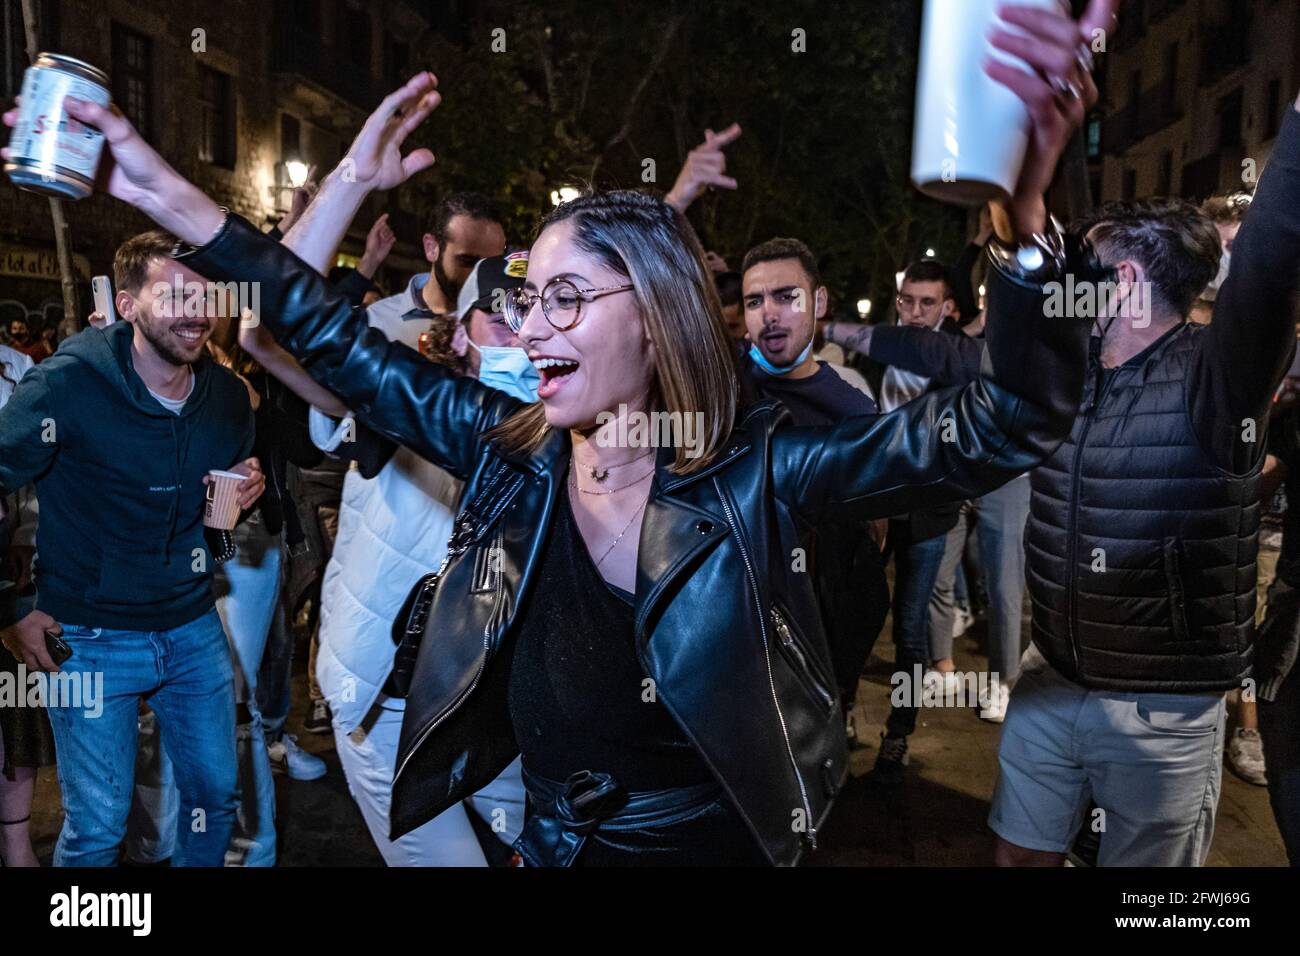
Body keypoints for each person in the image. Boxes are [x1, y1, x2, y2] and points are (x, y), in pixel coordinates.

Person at [38, 0, 1100, 863]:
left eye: (563, 300)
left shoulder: (762, 467)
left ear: (652, 310)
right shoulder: (507, 448)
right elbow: (328, 336)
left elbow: (1011, 418)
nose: (527, 329)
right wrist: (174, 200)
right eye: (524, 297)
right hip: (549, 840)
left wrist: (1027, 222)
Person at [981, 84, 1300, 866]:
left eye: (1080, 267)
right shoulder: (1066, 372)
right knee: (1018, 857)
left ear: (1120, 282)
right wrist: (1050, 132)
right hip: (1050, 681)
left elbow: (1270, 259)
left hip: (1159, 714)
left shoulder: (1216, 383)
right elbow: (1028, 249)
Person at [0, 229, 265, 866]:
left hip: (192, 625)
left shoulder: (227, 399)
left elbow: (217, 539)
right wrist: (10, 606)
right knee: (97, 827)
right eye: (173, 294)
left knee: (215, 796)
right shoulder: (63, 388)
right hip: (86, 635)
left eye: (206, 294)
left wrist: (231, 508)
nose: (196, 310)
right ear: (127, 305)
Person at [738, 236, 888, 749]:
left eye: (787, 296)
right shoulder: (721, 386)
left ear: (819, 302)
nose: (770, 315)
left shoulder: (854, 414)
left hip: (812, 638)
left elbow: (873, 543)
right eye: (755, 301)